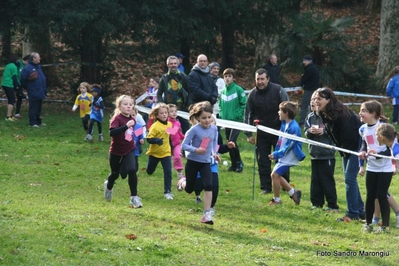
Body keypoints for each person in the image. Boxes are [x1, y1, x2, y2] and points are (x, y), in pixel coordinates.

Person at [313, 87, 365, 222]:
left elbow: (349, 135)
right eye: (315, 99)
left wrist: (348, 151)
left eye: (319, 99)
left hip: (355, 148)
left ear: (328, 100)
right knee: (350, 179)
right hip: (345, 149)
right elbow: (332, 133)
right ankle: (360, 211)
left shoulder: (341, 114)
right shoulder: (324, 114)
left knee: (349, 179)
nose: (316, 101)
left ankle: (352, 214)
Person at [244, 68, 290, 194]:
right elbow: (248, 114)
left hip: (278, 132)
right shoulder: (252, 95)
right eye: (257, 79)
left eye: (262, 79)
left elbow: (289, 110)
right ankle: (266, 187)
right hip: (261, 134)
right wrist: (248, 134)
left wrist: (286, 128)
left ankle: (285, 186)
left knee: (281, 160)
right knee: (262, 161)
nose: (260, 82)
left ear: (268, 79)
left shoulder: (278, 90)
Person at [177, 101, 219, 225]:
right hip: (193, 162)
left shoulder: (214, 129)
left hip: (205, 162)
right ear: (197, 118)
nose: (207, 120)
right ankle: (182, 182)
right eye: (203, 118)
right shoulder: (194, 130)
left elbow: (212, 143)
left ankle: (206, 214)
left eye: (209, 117)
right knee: (190, 189)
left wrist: (214, 153)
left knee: (209, 185)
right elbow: (183, 145)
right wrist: (196, 150)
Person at [358, 101, 392, 234]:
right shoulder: (362, 129)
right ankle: (368, 224)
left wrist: (377, 154)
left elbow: (390, 149)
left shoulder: (383, 128)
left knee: (381, 195)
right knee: (370, 195)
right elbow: (363, 144)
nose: (360, 113)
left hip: (385, 168)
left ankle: (385, 226)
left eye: (363, 111)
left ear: (372, 114)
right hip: (371, 167)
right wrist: (362, 153)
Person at [104, 95, 142, 208]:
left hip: (129, 149)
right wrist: (125, 126)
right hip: (116, 151)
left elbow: (137, 130)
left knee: (132, 170)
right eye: (125, 104)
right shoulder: (117, 119)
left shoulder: (133, 119)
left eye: (130, 104)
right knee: (115, 174)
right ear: (119, 107)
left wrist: (140, 138)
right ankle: (109, 186)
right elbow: (112, 133)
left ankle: (134, 197)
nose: (128, 106)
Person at [192, 115, 235, 215]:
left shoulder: (216, 136)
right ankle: (189, 187)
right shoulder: (198, 134)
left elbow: (218, 148)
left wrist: (227, 147)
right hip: (199, 163)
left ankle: (210, 207)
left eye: (213, 124)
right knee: (197, 186)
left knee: (214, 185)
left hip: (212, 165)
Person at [304, 93, 339, 211]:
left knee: (327, 179)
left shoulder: (328, 117)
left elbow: (334, 131)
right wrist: (310, 131)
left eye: (316, 99)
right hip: (315, 154)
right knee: (315, 180)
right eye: (312, 100)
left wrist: (323, 131)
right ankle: (317, 203)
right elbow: (306, 131)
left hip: (327, 155)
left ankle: (332, 204)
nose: (313, 102)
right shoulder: (309, 117)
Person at [267, 101, 304, 205]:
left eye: (280, 110)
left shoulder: (294, 128)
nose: (278, 112)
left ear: (286, 113)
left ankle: (276, 200)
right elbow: (281, 141)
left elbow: (289, 146)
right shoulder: (284, 124)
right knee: (276, 175)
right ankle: (293, 193)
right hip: (283, 155)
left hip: (289, 156)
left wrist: (277, 154)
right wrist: (276, 152)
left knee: (274, 175)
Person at [219, 68, 247, 172]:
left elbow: (244, 104)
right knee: (228, 143)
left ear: (233, 78)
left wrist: (238, 115)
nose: (227, 78)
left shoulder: (238, 90)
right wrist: (222, 114)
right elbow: (220, 105)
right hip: (226, 122)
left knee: (232, 141)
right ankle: (233, 163)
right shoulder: (223, 91)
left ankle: (239, 163)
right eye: (225, 76)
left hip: (236, 122)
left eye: (229, 76)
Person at [145, 103, 174, 200]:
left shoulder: (170, 124)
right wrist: (156, 140)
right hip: (154, 153)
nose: (164, 115)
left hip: (166, 153)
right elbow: (148, 139)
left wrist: (172, 149)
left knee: (168, 172)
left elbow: (169, 137)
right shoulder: (155, 126)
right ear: (157, 115)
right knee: (149, 171)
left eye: (166, 112)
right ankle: (148, 169)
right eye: (162, 113)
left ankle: (168, 192)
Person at [157, 55, 190, 133]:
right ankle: (172, 144)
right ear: (168, 65)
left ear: (178, 64)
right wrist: (163, 105)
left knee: (186, 130)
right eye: (171, 64)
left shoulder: (183, 76)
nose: (173, 65)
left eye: (175, 63)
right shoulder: (164, 78)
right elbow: (159, 94)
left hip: (182, 107)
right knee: (170, 131)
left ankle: (186, 144)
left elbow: (190, 92)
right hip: (168, 109)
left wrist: (188, 105)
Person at [20, 52, 47, 127]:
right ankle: (32, 122)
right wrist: (28, 87)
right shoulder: (27, 68)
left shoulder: (38, 67)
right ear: (33, 58)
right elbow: (23, 80)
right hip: (33, 90)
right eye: (38, 57)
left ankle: (38, 121)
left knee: (39, 107)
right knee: (33, 107)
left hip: (40, 90)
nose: (40, 59)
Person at [120, 107, 145, 179]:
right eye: (130, 115)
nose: (132, 117)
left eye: (133, 115)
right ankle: (122, 167)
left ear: (136, 115)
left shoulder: (138, 127)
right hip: (125, 151)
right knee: (123, 174)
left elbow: (140, 137)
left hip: (135, 151)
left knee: (135, 169)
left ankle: (132, 176)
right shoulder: (125, 126)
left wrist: (141, 141)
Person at [299, 54, 320, 127]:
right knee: (314, 106)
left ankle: (302, 122)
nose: (303, 62)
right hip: (315, 90)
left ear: (309, 61)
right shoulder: (315, 68)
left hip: (309, 90)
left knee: (304, 106)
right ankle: (314, 122)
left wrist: (301, 83)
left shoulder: (309, 69)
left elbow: (304, 79)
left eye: (305, 61)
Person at [1, 54, 23, 121]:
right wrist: (16, 86)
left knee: (10, 99)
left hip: (4, 83)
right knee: (12, 100)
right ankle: (8, 116)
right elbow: (14, 77)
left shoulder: (7, 65)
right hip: (9, 84)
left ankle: (10, 114)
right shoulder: (14, 67)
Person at [168, 104, 185, 180]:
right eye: (171, 111)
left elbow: (178, 133)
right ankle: (168, 173)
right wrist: (174, 129)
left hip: (176, 144)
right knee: (167, 160)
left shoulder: (178, 123)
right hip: (167, 144)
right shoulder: (166, 123)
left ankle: (179, 173)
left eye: (175, 111)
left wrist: (185, 137)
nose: (174, 113)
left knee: (178, 156)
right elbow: (169, 132)